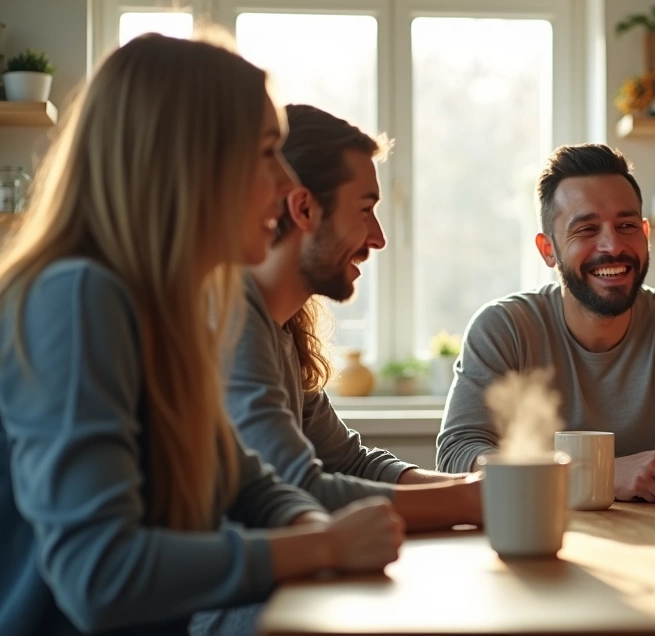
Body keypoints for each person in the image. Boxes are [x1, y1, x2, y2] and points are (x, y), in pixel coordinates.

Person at [0, 34, 404, 636]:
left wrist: (312, 529)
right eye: (268, 151)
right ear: (190, 161)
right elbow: (101, 575)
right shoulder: (78, 297)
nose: (285, 181)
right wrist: (323, 548)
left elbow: (246, 484)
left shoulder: (171, 310)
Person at [436, 143, 655, 502]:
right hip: (531, 529)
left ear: (645, 234)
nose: (612, 245)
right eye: (587, 229)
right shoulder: (504, 328)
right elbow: (457, 456)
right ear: (548, 249)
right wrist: (600, 475)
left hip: (649, 539)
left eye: (626, 225)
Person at [225, 103, 481, 533]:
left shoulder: (283, 330)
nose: (379, 238)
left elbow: (348, 462)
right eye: (365, 210)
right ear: (304, 209)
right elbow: (300, 487)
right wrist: (470, 501)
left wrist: (468, 485)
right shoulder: (234, 321)